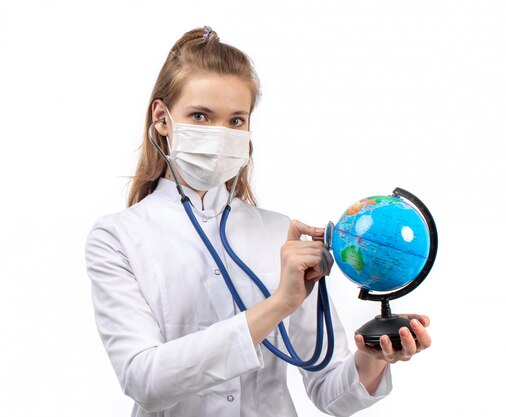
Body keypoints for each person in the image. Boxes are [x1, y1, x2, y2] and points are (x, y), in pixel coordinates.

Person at [85, 26, 431, 417]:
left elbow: (328, 390)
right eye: (200, 116)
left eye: (235, 121)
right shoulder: (117, 237)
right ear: (162, 118)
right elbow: (143, 380)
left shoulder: (281, 234)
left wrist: (373, 358)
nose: (220, 134)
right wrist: (279, 304)